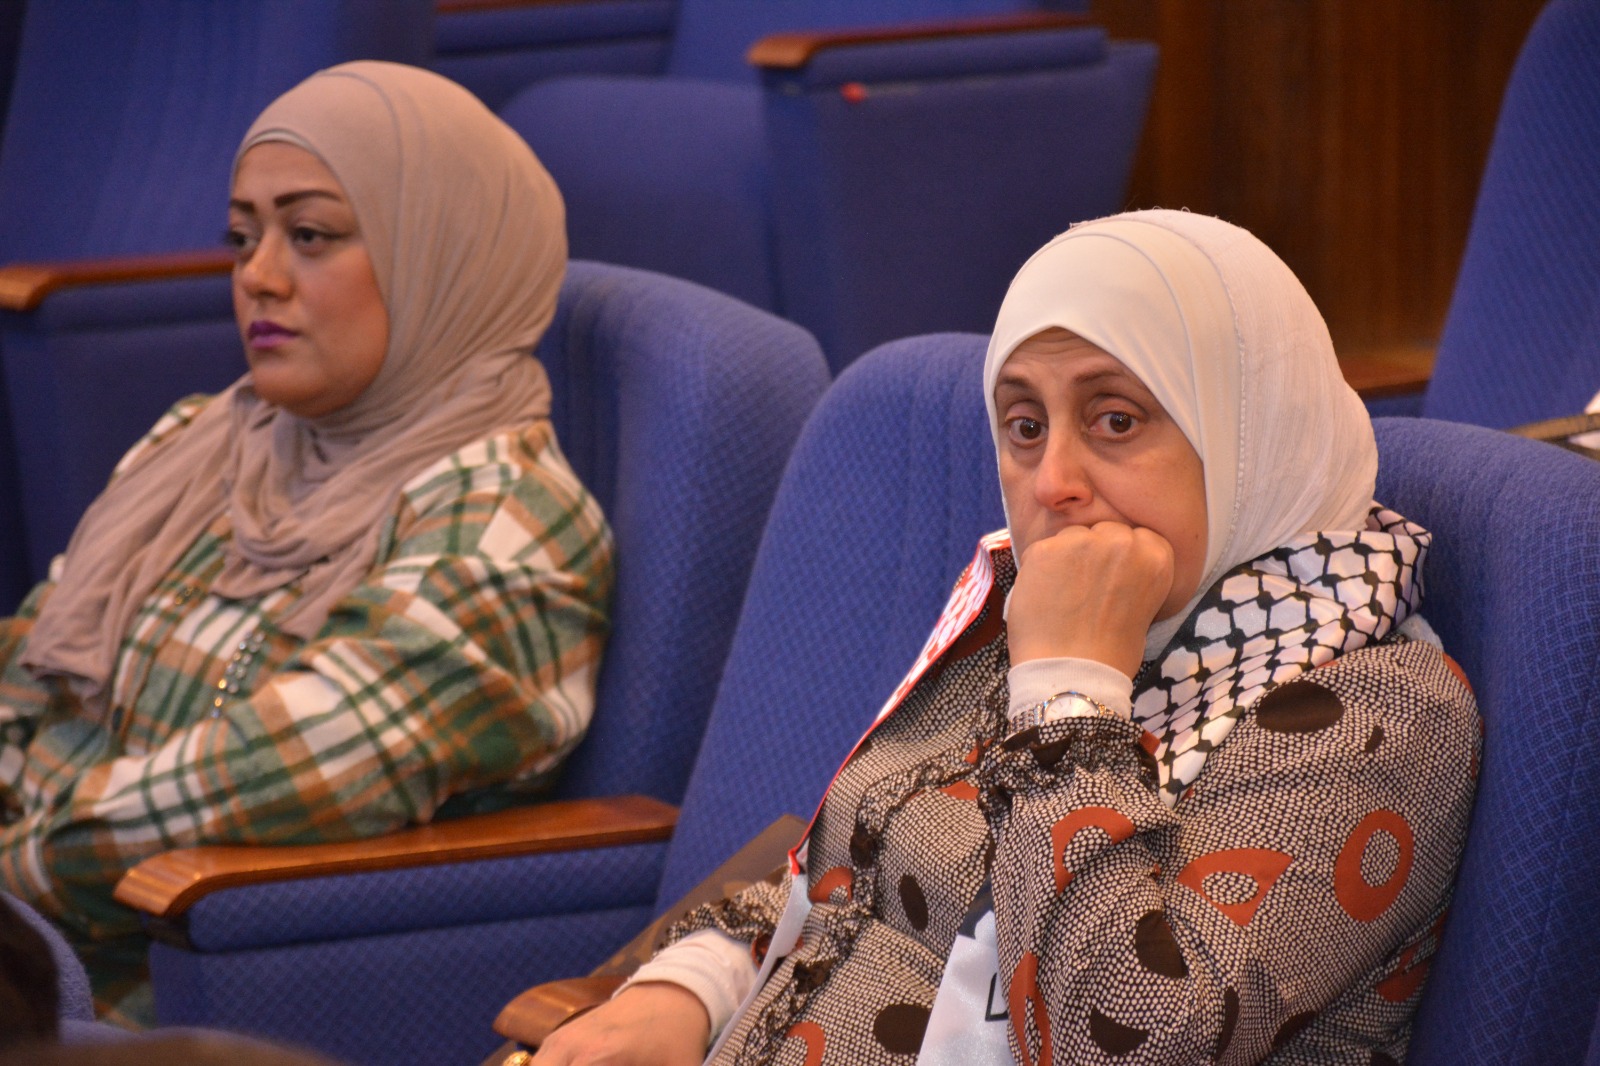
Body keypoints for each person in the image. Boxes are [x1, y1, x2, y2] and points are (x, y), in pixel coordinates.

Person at [533, 210, 1479, 1065]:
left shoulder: (1381, 712)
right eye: (1024, 427)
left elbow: (1126, 1038)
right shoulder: (1040, 612)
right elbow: (858, 866)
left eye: (1115, 419)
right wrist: (693, 986)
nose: (1052, 479)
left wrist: (1072, 692)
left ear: (1250, 437)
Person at [0, 62, 613, 1026]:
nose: (259, 275)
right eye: (242, 237)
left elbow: (283, 778)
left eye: (311, 235)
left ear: (439, 255)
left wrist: (18, 863)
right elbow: (26, 670)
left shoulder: (506, 521)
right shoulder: (204, 439)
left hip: (166, 1004)